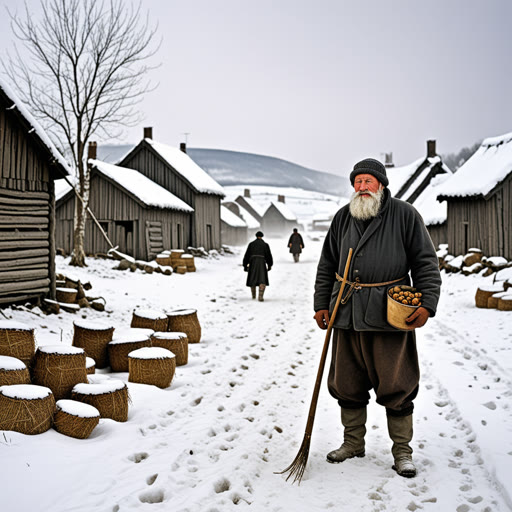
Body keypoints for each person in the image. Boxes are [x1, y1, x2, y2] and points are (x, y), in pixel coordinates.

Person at [313, 158, 441, 478]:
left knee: (397, 384)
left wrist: (427, 304)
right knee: (347, 383)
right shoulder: (344, 217)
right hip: (346, 312)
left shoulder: (404, 215)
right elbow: (327, 264)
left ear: (381, 185)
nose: (362, 187)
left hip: (389, 315)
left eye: (368, 181)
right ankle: (353, 442)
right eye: (357, 182)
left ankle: (402, 451)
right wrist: (321, 304)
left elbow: (425, 263)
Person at [243, 231, 273, 301]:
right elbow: (268, 255)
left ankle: (253, 295)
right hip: (262, 263)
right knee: (262, 280)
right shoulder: (265, 245)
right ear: (262, 236)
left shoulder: (251, 244)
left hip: (253, 263)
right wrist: (269, 265)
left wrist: (245, 265)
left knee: (253, 279)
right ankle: (260, 296)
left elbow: (247, 255)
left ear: (256, 236)